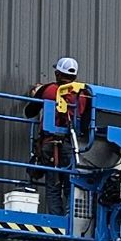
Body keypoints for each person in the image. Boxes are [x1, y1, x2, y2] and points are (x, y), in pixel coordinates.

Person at [30, 56, 92, 212]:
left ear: (58, 74)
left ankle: (55, 221)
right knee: (71, 183)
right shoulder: (85, 93)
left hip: (49, 144)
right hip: (72, 145)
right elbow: (87, 122)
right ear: (75, 76)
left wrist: (37, 93)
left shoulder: (49, 90)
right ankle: (70, 219)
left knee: (53, 185)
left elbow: (29, 111)